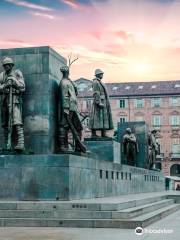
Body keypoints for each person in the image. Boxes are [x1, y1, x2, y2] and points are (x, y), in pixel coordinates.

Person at [58, 65, 86, 153]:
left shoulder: (69, 82)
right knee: (64, 126)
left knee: (79, 127)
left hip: (73, 108)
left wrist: (75, 86)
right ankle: (63, 146)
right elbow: (64, 96)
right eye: (66, 71)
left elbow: (74, 95)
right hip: (68, 108)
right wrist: (65, 108)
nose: (67, 73)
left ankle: (78, 146)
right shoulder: (63, 83)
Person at [0, 57, 25, 151]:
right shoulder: (2, 75)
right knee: (5, 123)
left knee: (17, 121)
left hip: (14, 100)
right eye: (4, 65)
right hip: (4, 101)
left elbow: (22, 87)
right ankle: (7, 144)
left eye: (8, 65)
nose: (6, 66)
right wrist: (4, 86)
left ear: (11, 65)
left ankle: (21, 143)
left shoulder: (17, 73)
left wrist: (14, 82)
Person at [89, 69, 114, 137]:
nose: (102, 75)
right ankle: (93, 134)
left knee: (104, 118)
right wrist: (98, 102)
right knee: (96, 118)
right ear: (98, 74)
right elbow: (96, 93)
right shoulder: (95, 82)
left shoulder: (100, 82)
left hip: (104, 101)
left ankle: (103, 133)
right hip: (99, 102)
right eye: (101, 74)